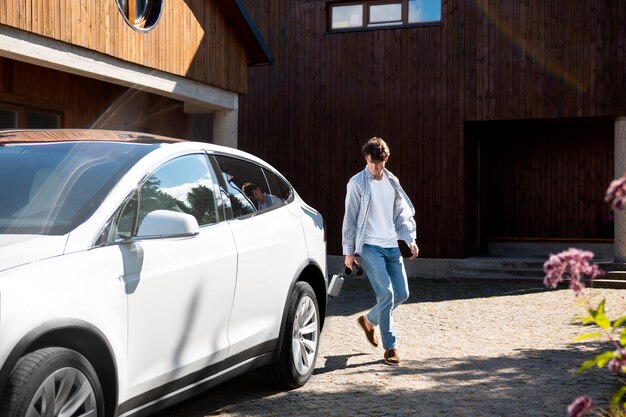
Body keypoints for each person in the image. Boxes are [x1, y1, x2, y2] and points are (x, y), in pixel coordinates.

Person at [342, 137, 419, 365]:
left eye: (380, 163)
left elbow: (401, 214)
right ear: (366, 158)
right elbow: (350, 219)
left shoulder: (392, 181)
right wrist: (349, 252)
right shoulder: (357, 183)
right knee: (386, 295)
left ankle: (369, 320)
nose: (376, 167)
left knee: (402, 294)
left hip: (391, 245)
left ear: (386, 159)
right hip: (369, 246)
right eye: (372, 162)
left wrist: (409, 239)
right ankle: (390, 348)